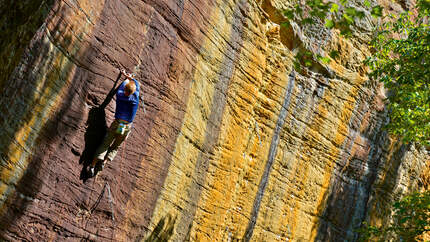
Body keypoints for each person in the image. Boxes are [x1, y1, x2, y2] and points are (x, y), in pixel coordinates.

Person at [89, 69, 140, 177]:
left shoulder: (120, 95)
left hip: (117, 123)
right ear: (133, 92)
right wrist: (130, 77)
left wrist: (125, 77)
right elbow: (137, 84)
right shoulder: (135, 98)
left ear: (125, 90)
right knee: (116, 146)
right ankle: (104, 162)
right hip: (126, 127)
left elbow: (123, 85)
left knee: (105, 144)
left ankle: (92, 166)